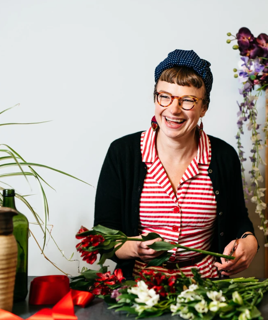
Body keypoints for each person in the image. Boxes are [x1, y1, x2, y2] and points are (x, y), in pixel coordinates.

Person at [94, 49, 258, 279]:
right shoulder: (123, 153)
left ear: (204, 108)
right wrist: (134, 247)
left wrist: (249, 241)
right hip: (139, 289)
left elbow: (237, 218)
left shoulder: (223, 156)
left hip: (206, 287)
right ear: (155, 98)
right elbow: (104, 235)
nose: (173, 109)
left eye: (188, 100)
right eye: (165, 96)